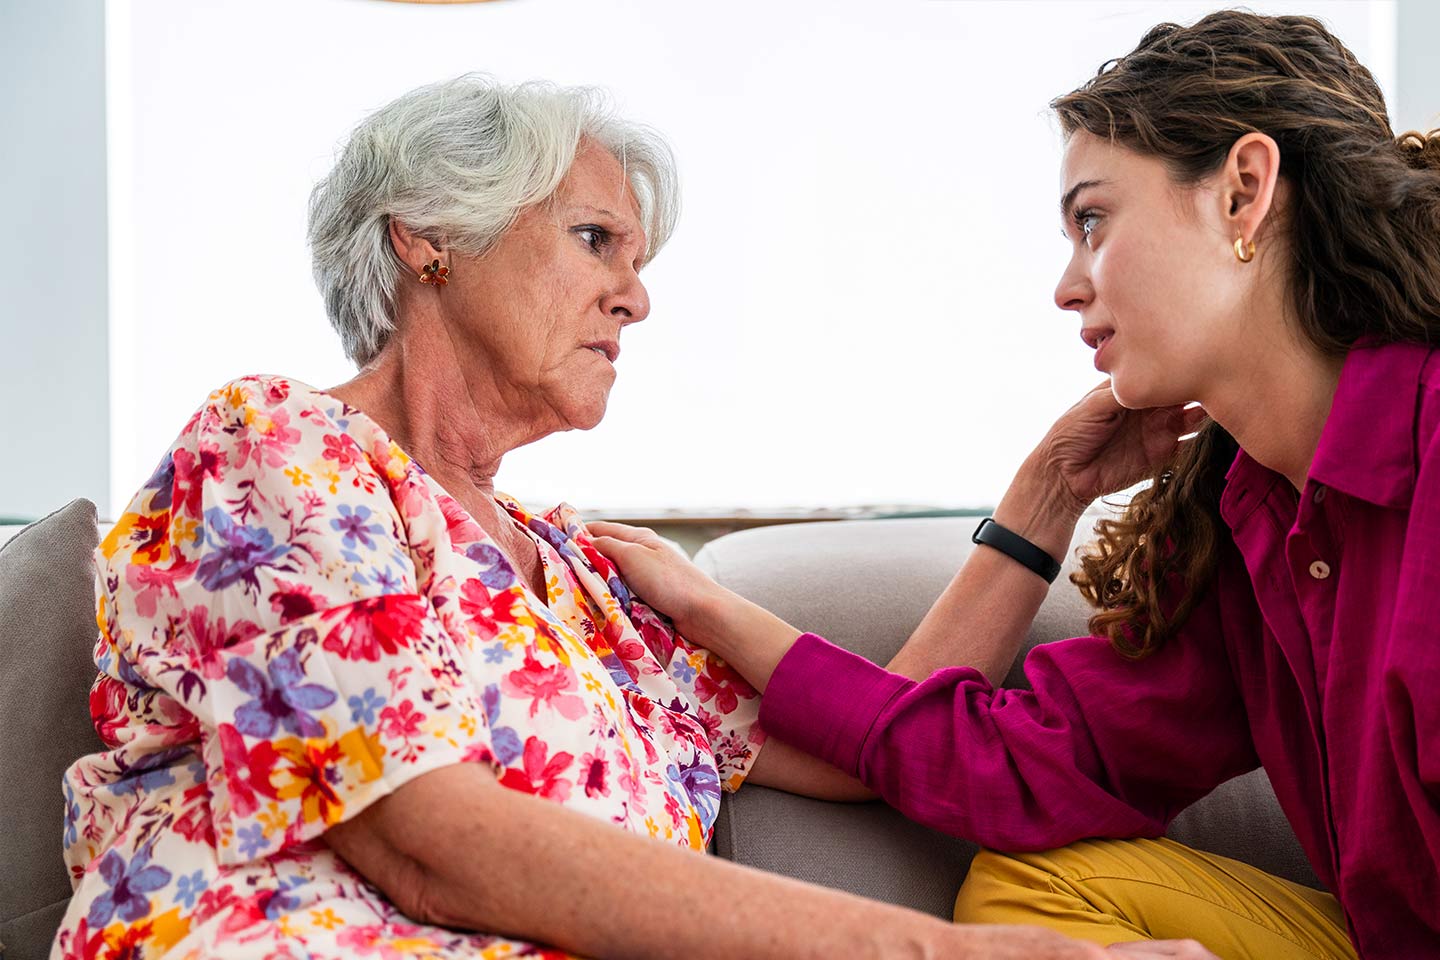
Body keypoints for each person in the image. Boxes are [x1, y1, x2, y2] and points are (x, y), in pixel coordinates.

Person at [53, 75, 1200, 960]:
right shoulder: (277, 450)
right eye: (595, 240)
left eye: (638, 262)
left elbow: (876, 743)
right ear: (429, 237)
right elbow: (425, 840)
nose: (637, 299)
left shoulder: (580, 574)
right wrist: (936, 952)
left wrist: (1046, 499)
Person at [590, 12, 1440, 960]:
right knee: (1029, 889)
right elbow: (1005, 767)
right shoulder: (1247, 525)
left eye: (1093, 221)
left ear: (1243, 193)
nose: (1067, 286)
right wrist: (711, 607)